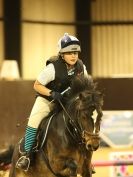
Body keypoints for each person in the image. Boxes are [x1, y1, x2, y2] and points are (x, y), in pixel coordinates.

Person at [16, 33, 92, 171]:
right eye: (69, 52)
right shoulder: (52, 68)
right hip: (48, 100)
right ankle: (26, 156)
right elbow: (37, 85)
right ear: (62, 54)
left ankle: (86, 159)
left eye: (75, 52)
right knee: (33, 121)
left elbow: (85, 85)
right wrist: (52, 93)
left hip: (68, 102)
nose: (73, 56)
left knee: (83, 122)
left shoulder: (81, 67)